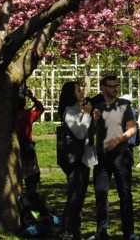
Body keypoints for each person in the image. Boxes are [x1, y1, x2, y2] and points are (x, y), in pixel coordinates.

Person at [88, 74, 138, 240]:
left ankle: (129, 232)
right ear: (103, 88)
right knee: (101, 193)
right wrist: (94, 120)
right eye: (112, 86)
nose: (116, 88)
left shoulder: (124, 105)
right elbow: (88, 133)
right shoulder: (95, 106)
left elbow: (132, 129)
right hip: (101, 157)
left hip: (121, 156)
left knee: (125, 193)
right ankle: (101, 231)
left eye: (117, 85)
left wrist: (119, 140)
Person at [56, 80, 98, 240]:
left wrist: (93, 119)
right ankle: (66, 232)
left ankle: (76, 233)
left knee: (79, 199)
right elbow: (80, 133)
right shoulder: (70, 112)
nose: (82, 93)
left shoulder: (78, 111)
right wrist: (87, 114)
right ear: (71, 94)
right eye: (78, 90)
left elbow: (88, 133)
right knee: (73, 198)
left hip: (84, 160)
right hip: (75, 162)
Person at [17, 86, 46, 193]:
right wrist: (33, 98)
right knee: (31, 178)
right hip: (27, 148)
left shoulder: (10, 116)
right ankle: (31, 197)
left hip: (14, 149)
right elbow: (40, 109)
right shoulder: (28, 115)